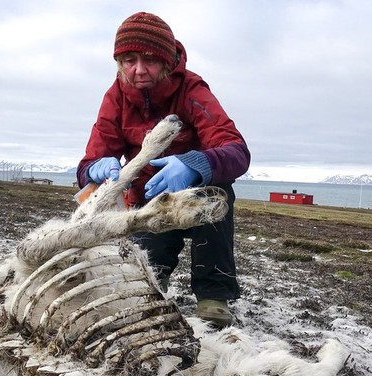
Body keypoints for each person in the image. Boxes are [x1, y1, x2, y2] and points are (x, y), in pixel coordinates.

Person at [76, 11, 250, 327]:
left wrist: (195, 164)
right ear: (118, 62)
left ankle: (213, 296)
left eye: (150, 61)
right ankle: (154, 286)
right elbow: (90, 161)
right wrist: (93, 170)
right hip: (147, 202)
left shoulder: (191, 90)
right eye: (129, 60)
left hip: (196, 194)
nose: (139, 70)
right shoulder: (115, 97)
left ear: (167, 61)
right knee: (146, 278)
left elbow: (236, 151)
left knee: (219, 194)